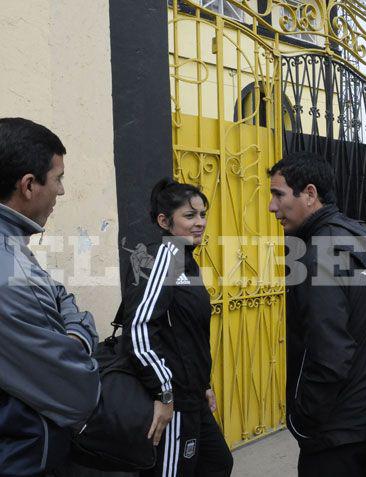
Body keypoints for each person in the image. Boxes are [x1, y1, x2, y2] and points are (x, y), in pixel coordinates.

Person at [268, 151, 366, 476]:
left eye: (278, 194)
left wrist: (306, 417)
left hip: (338, 429)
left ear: (310, 194)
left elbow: (330, 356)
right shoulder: (364, 235)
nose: (272, 207)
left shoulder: (319, 255)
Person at [0, 118, 100, 474]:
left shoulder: (14, 249)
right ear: (29, 185)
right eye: (58, 179)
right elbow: (78, 388)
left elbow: (57, 293)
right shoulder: (10, 269)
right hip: (21, 457)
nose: (61, 192)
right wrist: (81, 334)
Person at [121, 179, 233, 477]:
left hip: (192, 394)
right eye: (189, 216)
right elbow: (139, 329)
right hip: (173, 400)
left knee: (217, 462)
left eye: (202, 214)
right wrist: (165, 393)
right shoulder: (164, 258)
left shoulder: (187, 261)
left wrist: (204, 384)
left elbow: (188, 332)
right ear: (164, 221)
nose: (200, 223)